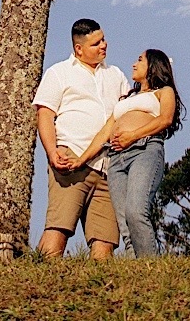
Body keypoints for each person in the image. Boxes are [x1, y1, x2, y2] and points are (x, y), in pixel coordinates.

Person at [32, 17, 129, 260]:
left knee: (105, 238)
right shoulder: (59, 73)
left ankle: (98, 291)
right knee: (59, 225)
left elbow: (127, 112)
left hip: (108, 166)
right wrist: (52, 151)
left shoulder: (116, 75)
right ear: (79, 48)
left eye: (104, 39)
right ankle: (40, 280)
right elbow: (45, 115)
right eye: (96, 43)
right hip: (71, 158)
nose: (104, 46)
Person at [72, 47, 183, 257]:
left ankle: (151, 267)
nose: (134, 64)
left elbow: (165, 119)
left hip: (144, 150)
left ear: (153, 65)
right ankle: (136, 271)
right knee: (124, 221)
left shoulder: (163, 92)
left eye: (140, 60)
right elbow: (105, 131)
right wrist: (81, 159)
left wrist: (133, 135)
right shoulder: (125, 99)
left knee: (136, 211)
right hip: (116, 158)